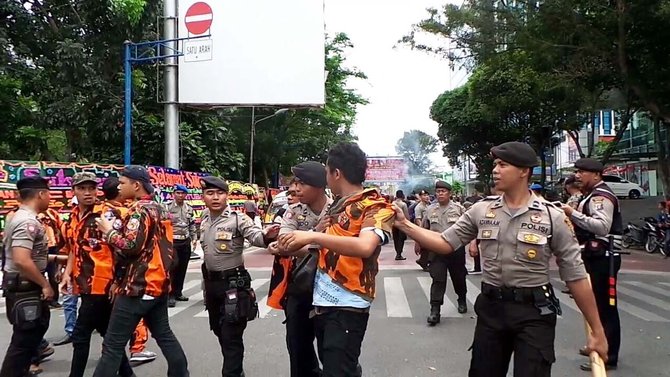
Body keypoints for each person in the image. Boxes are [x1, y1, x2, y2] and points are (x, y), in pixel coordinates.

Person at [393, 141, 608, 376]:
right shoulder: (482, 211)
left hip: (534, 312)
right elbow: (445, 242)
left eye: (503, 164)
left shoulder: (552, 216)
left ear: (524, 171)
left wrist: (597, 330)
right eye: (495, 164)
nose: (495, 170)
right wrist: (404, 225)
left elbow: (575, 275)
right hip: (492, 309)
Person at [278, 142, 395, 377]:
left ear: (336, 173)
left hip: (348, 305)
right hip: (323, 304)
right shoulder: (338, 208)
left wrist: (312, 236)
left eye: (327, 171)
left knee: (338, 370)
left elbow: (364, 246)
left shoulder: (376, 207)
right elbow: (324, 250)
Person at [93, 165, 189, 377]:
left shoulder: (139, 211)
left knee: (112, 345)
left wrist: (109, 233)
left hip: (138, 286)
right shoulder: (160, 208)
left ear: (136, 185)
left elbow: (131, 245)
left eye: (123, 182)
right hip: (159, 283)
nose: (119, 186)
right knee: (164, 335)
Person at [199, 175, 279, 377]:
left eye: (220, 193)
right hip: (211, 285)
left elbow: (256, 236)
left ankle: (232, 373)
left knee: (231, 336)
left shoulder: (238, 219)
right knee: (219, 331)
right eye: (210, 193)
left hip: (233, 284)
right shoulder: (204, 220)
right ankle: (236, 371)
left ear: (227, 196)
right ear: (203, 197)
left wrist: (268, 235)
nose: (215, 197)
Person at [59, 172, 135, 377]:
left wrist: (118, 281)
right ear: (73, 191)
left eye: (91, 188)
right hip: (83, 284)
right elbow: (75, 249)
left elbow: (123, 251)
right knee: (108, 336)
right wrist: (67, 273)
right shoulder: (74, 215)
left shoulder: (107, 214)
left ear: (97, 190)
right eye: (82, 188)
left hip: (102, 286)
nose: (87, 193)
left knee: (81, 335)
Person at [267, 161, 332, 377]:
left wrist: (303, 243)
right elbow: (284, 244)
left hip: (331, 287)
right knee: (297, 347)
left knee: (331, 350)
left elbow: (337, 247)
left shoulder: (337, 210)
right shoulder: (293, 211)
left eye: (302, 184)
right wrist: (316, 235)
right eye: (295, 183)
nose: (296, 189)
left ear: (318, 185)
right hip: (300, 285)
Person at [562, 158, 622, 371]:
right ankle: (599, 345)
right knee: (596, 304)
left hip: (605, 256)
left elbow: (601, 227)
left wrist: (572, 213)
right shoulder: (590, 195)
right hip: (595, 255)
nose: (578, 175)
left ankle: (609, 355)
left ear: (596, 175)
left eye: (582, 172)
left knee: (606, 306)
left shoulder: (601, 197)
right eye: (577, 171)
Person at [100, 177, 157, 364]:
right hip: (124, 276)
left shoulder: (105, 212)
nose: (120, 186)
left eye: (122, 183)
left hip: (101, 276)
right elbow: (129, 247)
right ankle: (136, 349)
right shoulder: (127, 212)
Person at [1, 177, 53, 377]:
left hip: (21, 286)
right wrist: (45, 284)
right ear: (40, 194)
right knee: (23, 343)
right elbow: (22, 260)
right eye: (48, 193)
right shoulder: (27, 222)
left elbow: (29, 253)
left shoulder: (18, 217)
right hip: (26, 287)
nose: (49, 198)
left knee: (26, 340)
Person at [423, 180, 468, 325]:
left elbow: (469, 228)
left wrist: (472, 243)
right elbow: (425, 228)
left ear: (450, 194)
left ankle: (461, 298)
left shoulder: (459, 209)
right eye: (438, 191)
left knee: (458, 277)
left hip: (455, 249)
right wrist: (419, 244)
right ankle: (434, 311)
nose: (440, 194)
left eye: (443, 191)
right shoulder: (430, 209)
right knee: (438, 279)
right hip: (436, 250)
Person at [166, 184, 197, 308]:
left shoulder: (188, 208)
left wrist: (194, 238)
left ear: (185, 195)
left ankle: (178, 292)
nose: (180, 195)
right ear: (174, 194)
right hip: (172, 241)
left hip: (185, 241)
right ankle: (170, 295)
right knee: (173, 268)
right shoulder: (167, 207)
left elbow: (192, 224)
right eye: (178, 193)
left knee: (182, 268)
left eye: (182, 193)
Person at [413, 190, 432, 271]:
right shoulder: (418, 207)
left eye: (427, 195)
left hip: (430, 227)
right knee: (426, 246)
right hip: (423, 228)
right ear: (420, 197)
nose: (426, 197)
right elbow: (418, 219)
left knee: (429, 246)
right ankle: (423, 261)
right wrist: (421, 230)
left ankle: (423, 260)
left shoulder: (429, 205)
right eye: (424, 195)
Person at [392, 190, 409, 260]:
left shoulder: (392, 203)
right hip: (402, 224)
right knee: (401, 239)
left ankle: (397, 253)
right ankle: (399, 254)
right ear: (402, 195)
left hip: (394, 224)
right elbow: (406, 215)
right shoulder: (403, 204)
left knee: (396, 239)